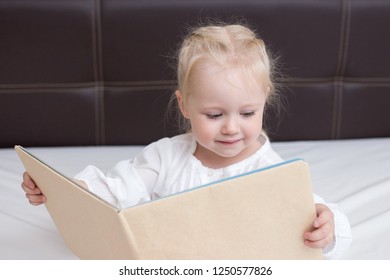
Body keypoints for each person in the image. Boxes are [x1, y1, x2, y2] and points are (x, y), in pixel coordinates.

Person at [21, 23, 352, 259]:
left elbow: (317, 215)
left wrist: (328, 227)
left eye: (248, 113)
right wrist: (66, 192)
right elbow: (115, 190)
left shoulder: (273, 172)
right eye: (214, 115)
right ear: (185, 105)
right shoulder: (165, 156)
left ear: (264, 101)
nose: (231, 129)